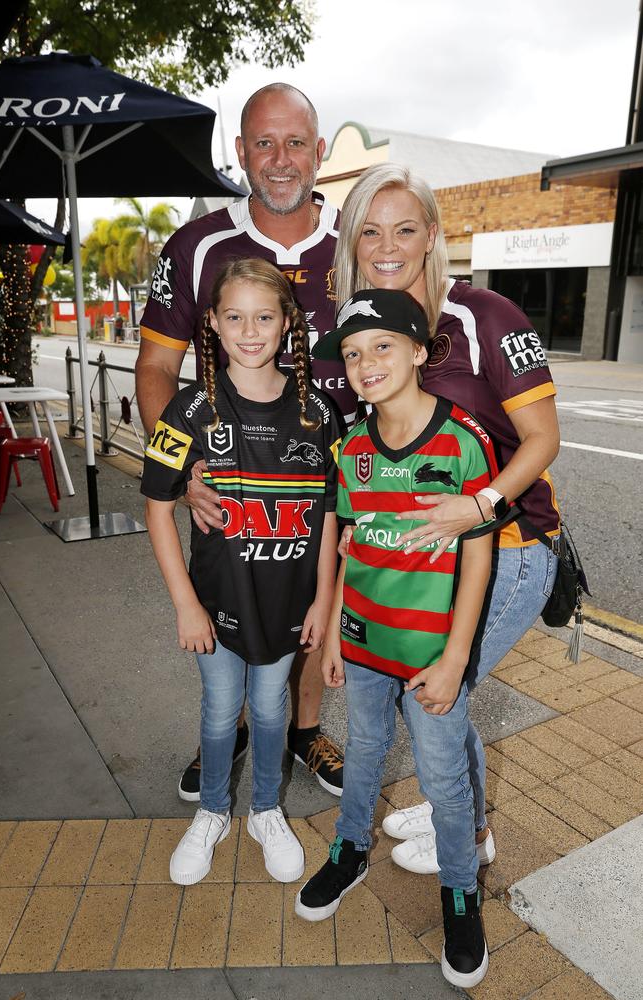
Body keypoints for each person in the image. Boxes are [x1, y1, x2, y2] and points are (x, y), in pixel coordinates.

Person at [333, 163, 560, 874]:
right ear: (354, 244)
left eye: (405, 227)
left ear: (432, 235)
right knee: (423, 692)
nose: (388, 244)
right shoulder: (362, 330)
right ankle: (451, 806)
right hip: (413, 565)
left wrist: (480, 504)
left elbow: (544, 438)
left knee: (435, 690)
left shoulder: (484, 316)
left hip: (506, 548)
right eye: (370, 231)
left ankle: (471, 829)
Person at [137, 83, 356, 801]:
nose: (281, 159)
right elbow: (158, 364)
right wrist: (187, 469)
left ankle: (302, 730)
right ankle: (226, 732)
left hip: (333, 471)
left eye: (297, 142)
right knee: (236, 605)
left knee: (316, 597)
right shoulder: (198, 245)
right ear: (241, 152)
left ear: (320, 152)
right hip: (231, 478)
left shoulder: (358, 244)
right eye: (264, 142)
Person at [295, 288, 497, 989]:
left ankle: (461, 894)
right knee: (366, 752)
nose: (365, 362)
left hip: (430, 657)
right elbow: (347, 545)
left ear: (418, 351)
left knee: (444, 781)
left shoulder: (462, 441)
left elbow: (477, 555)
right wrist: (331, 642)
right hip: (365, 643)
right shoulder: (350, 447)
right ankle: (350, 850)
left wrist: (455, 658)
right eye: (351, 353)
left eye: (381, 345)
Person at [140, 259, 340, 886]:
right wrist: (185, 604)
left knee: (273, 711)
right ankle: (213, 812)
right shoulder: (187, 409)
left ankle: (264, 810)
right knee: (222, 709)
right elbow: (156, 507)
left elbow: (333, 518)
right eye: (235, 317)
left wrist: (322, 603)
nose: (250, 331)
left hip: (290, 601)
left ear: (287, 324)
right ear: (214, 328)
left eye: (264, 317)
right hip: (218, 602)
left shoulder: (321, 413)